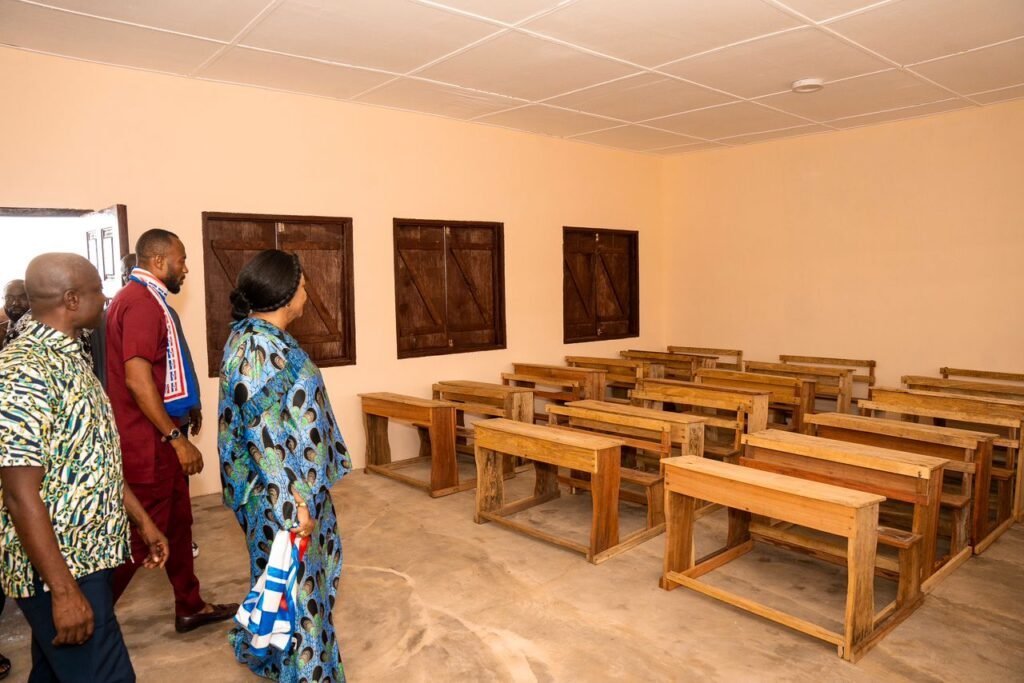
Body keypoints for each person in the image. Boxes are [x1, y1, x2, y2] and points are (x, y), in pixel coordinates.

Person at [0, 253, 169, 682]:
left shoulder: (71, 356)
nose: (106, 296)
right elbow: (20, 494)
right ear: (72, 299)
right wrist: (63, 591)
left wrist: (142, 520)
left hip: (89, 557)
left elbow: (93, 459)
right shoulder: (24, 370)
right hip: (61, 566)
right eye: (98, 289)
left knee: (56, 673)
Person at [219, 250, 350, 682]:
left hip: (287, 490)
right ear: (287, 293)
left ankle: (277, 660)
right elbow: (264, 437)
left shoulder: (259, 336)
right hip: (285, 495)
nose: (308, 293)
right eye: (305, 285)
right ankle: (310, 674)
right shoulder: (258, 349)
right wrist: (295, 507)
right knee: (301, 592)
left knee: (284, 584)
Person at [105, 229, 236, 631]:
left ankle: (189, 604)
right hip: (148, 443)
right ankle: (86, 615)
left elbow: (162, 371)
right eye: (181, 260)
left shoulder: (142, 299)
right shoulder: (143, 303)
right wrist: (175, 438)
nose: (186, 268)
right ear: (160, 262)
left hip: (157, 434)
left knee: (179, 524)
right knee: (142, 535)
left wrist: (184, 410)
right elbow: (138, 378)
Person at [0, 279, 28, 350]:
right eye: (9, 298)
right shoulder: (1, 331)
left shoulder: (43, 330)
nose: (15, 303)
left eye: (23, 297)